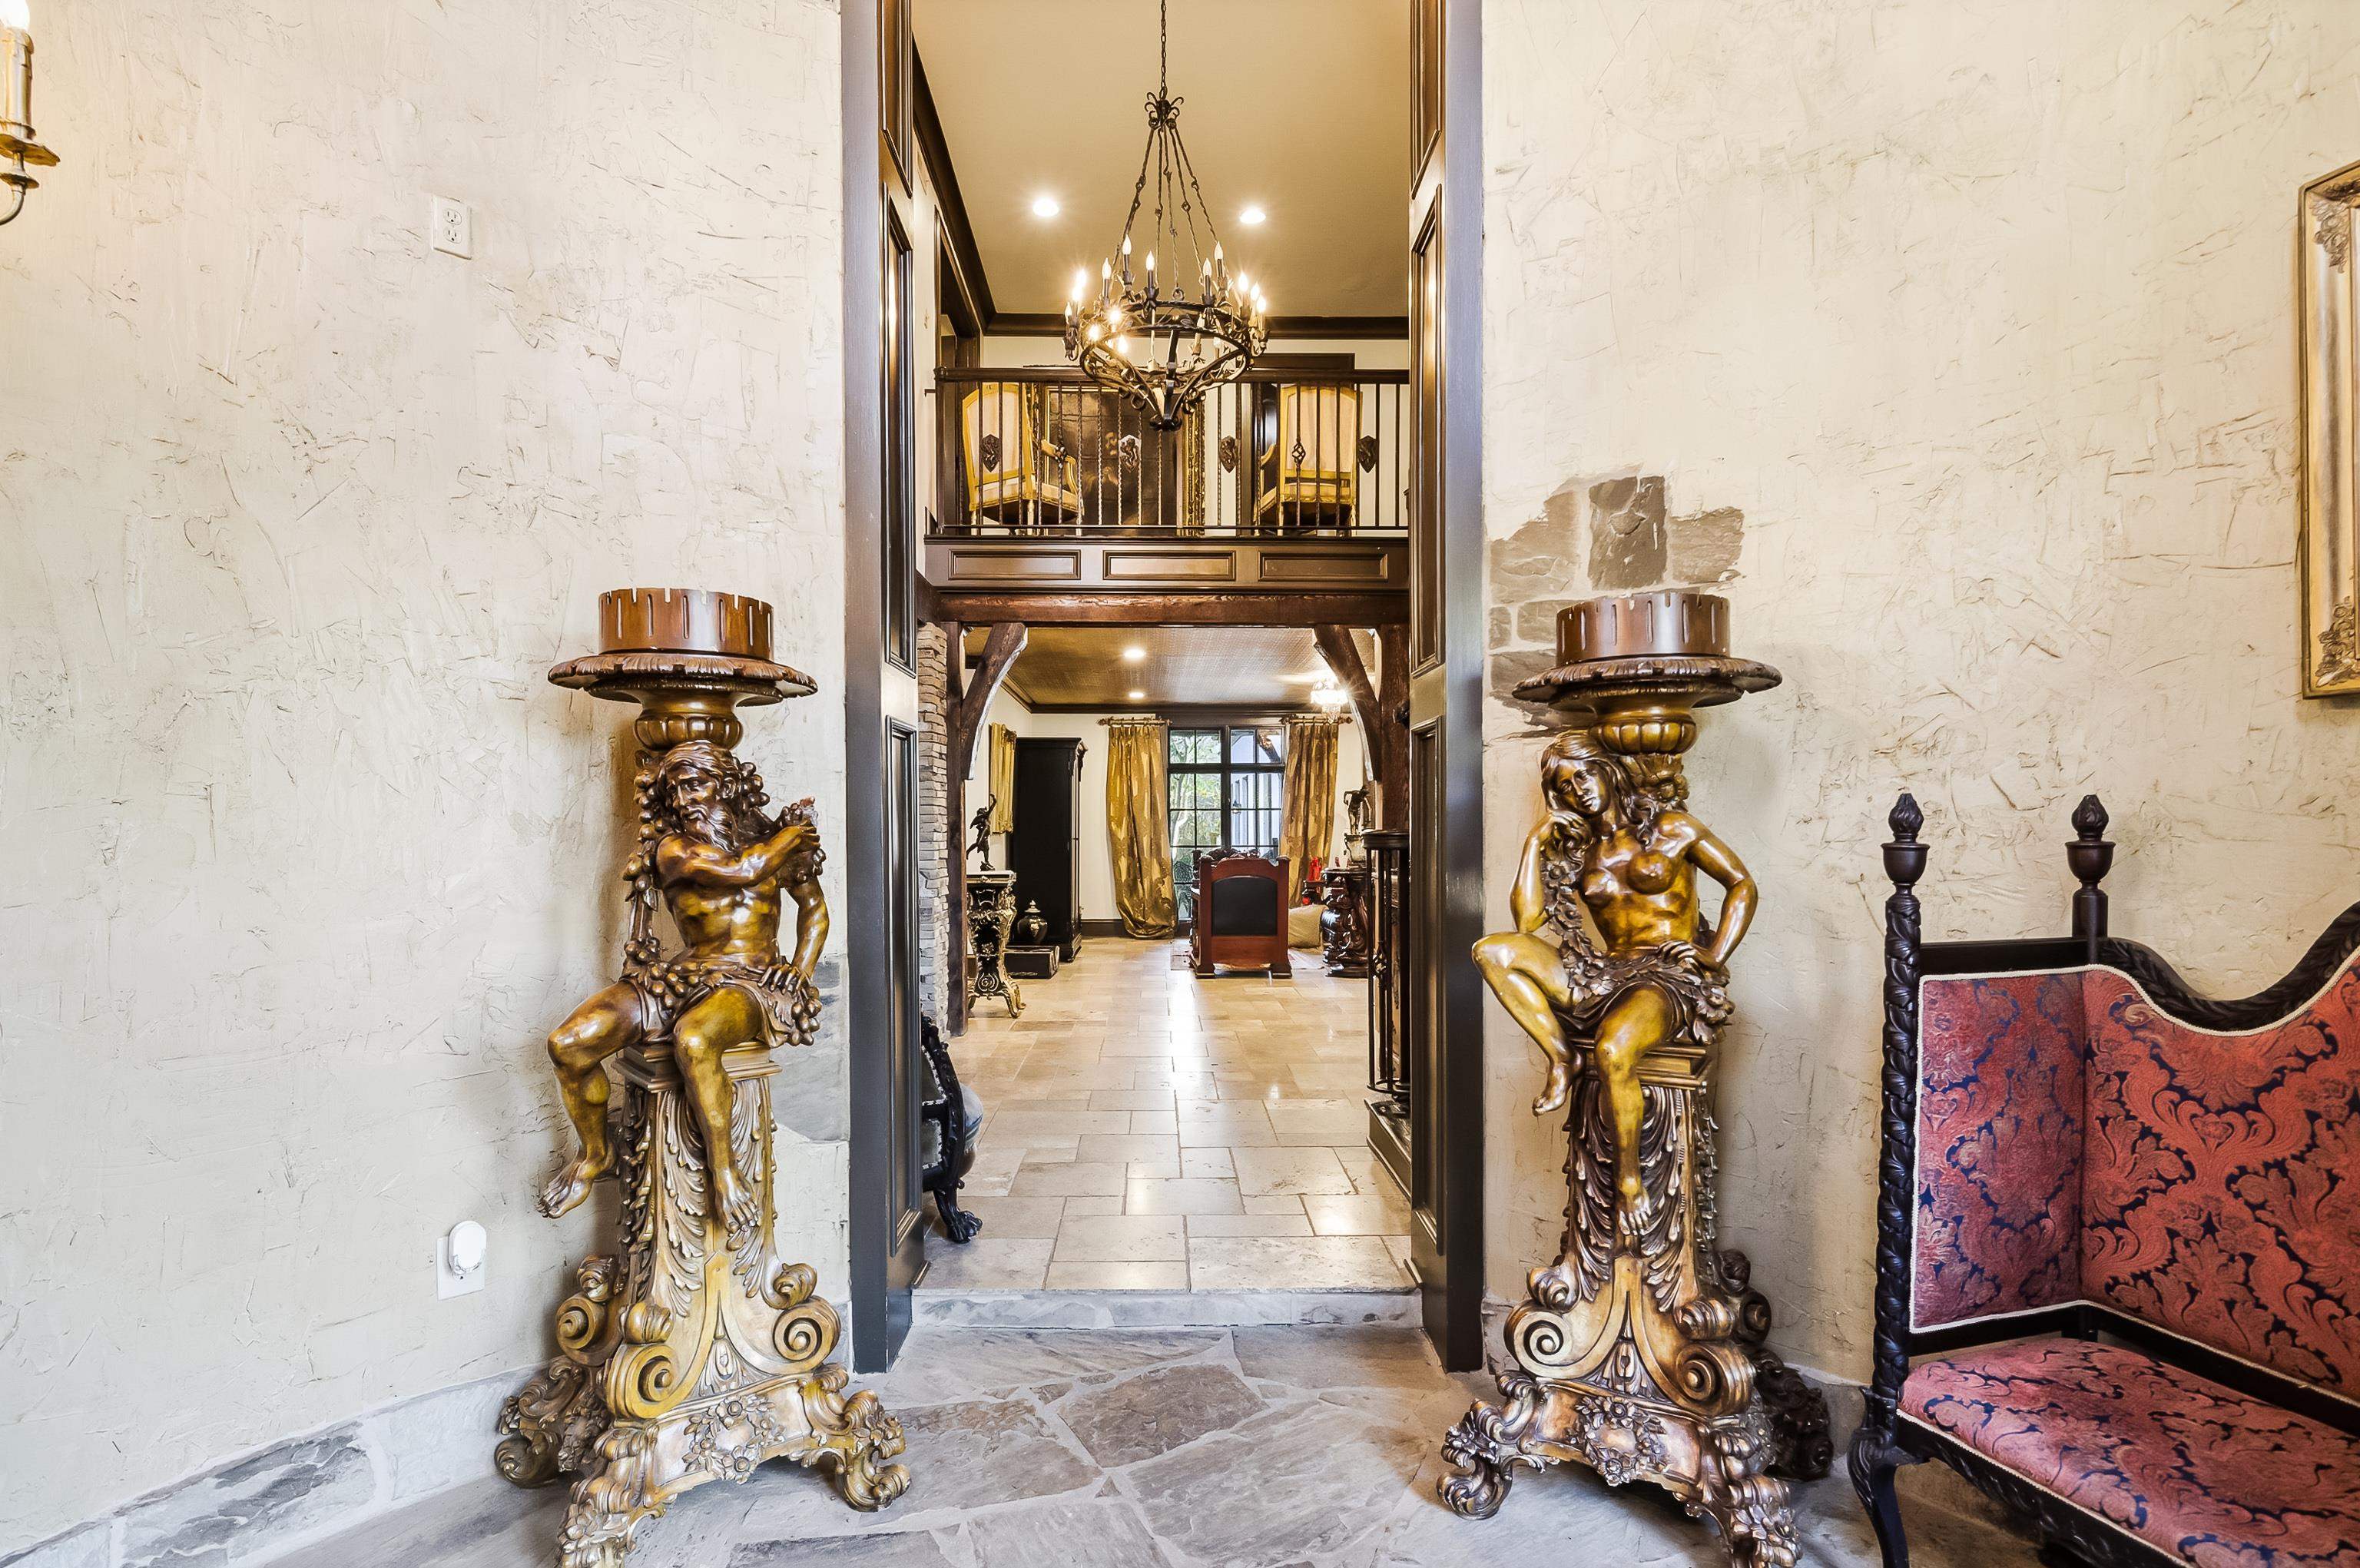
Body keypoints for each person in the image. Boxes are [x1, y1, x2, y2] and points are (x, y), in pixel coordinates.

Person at [537, 741, 826, 1245]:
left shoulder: (769, 836)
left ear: (727, 784)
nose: (686, 800)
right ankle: (594, 1154)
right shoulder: (675, 849)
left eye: (696, 785)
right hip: (684, 975)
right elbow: (743, 870)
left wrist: (800, 971)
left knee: (694, 1040)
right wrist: (794, 833)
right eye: (676, 791)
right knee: (569, 1042)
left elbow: (815, 911)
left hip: (754, 982)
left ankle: (725, 1170)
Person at [1473, 728, 1755, 1237]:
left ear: (1605, 769)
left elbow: (1742, 883)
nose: (1578, 788)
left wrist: (1713, 955)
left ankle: (1628, 1180)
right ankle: (1562, 1055)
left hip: (1668, 976)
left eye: (1584, 773)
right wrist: (1536, 840)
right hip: (1608, 969)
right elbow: (1526, 921)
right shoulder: (1577, 848)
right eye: (1565, 784)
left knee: (1616, 1048)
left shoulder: (1672, 827)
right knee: (1492, 950)